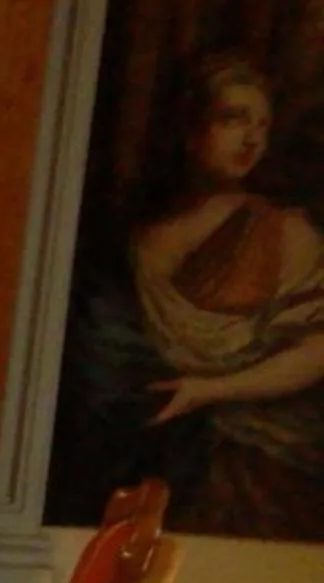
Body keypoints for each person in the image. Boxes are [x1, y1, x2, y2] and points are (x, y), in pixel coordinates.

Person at [126, 55, 324, 538]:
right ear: (191, 131)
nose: (251, 139)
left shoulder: (285, 233)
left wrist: (208, 390)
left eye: (262, 126)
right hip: (157, 456)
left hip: (264, 465)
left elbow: (318, 350)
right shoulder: (140, 239)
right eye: (234, 119)